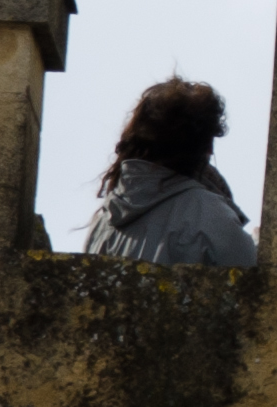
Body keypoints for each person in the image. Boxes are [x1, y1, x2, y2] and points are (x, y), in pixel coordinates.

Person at [84, 77, 259, 267]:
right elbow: (255, 285)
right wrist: (259, 244)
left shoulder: (101, 224)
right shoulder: (209, 215)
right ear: (207, 147)